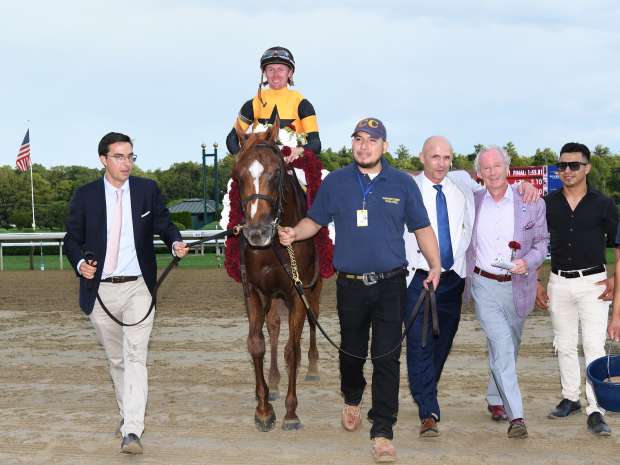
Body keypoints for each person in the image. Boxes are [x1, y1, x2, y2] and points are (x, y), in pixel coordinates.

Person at [279, 117, 441, 463]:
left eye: (372, 140)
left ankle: (382, 430)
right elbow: (315, 220)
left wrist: (436, 264)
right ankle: (352, 395)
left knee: (386, 357)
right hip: (350, 286)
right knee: (351, 353)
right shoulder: (336, 183)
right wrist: (294, 232)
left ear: (385, 145)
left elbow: (422, 228)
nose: (363, 145)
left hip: (391, 284)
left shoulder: (402, 184)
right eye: (358, 139)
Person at [64, 132, 188, 454]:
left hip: (138, 288)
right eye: (119, 157)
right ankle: (127, 417)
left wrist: (174, 241)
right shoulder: (86, 195)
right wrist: (80, 264)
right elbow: (71, 239)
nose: (127, 163)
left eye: (131, 156)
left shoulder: (147, 190)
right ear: (104, 160)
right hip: (100, 292)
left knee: (135, 357)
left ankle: (133, 430)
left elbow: (164, 223)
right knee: (117, 360)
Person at [464, 145, 548, 439]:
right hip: (483, 284)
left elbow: (541, 243)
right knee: (501, 344)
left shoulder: (531, 201)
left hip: (518, 286)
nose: (492, 172)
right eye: (485, 168)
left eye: (497, 166)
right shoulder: (470, 201)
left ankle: (495, 397)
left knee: (508, 347)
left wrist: (529, 262)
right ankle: (517, 416)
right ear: (479, 173)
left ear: (507, 168)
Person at [536, 142, 618, 436]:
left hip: (593, 283)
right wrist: (536, 281)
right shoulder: (547, 203)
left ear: (587, 168)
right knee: (565, 344)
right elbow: (534, 242)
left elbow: (618, 248)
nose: (567, 171)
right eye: (562, 165)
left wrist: (614, 281)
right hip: (558, 282)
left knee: (594, 347)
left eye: (574, 165)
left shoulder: (604, 204)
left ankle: (595, 409)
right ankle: (570, 397)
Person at [225, 45, 321, 161]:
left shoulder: (302, 104)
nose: (275, 74)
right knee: (232, 180)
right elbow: (232, 138)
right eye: (270, 69)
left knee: (325, 178)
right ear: (265, 73)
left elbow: (316, 143)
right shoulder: (253, 103)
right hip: (259, 164)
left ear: (290, 73)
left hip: (294, 161)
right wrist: (243, 159)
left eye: (281, 69)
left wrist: (297, 151)